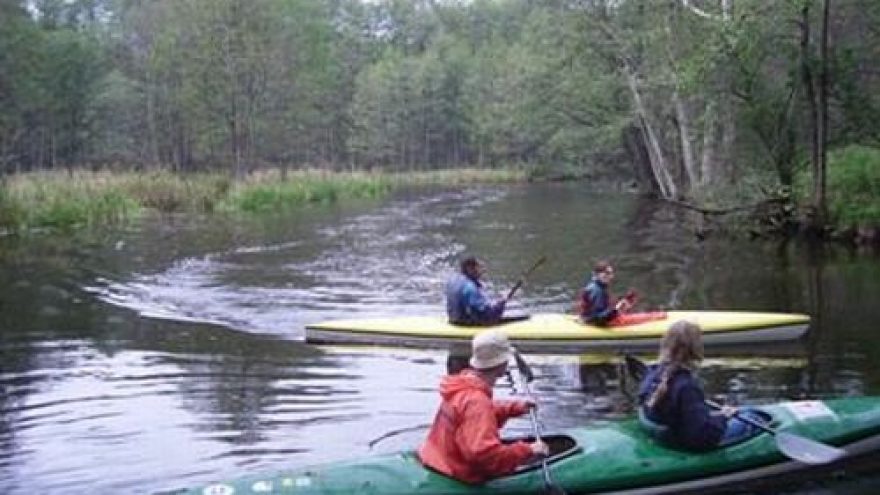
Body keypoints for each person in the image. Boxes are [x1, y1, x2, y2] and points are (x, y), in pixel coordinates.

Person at [418, 329, 549, 484]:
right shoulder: (477, 402)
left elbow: (473, 417)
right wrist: (528, 450)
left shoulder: (462, 383)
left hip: (437, 459)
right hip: (456, 472)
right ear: (503, 365)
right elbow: (484, 455)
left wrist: (514, 408)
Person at [637, 320, 765, 451]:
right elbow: (702, 434)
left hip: (670, 433)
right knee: (754, 416)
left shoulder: (652, 373)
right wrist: (723, 417)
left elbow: (651, 407)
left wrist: (718, 415)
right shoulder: (687, 387)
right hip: (687, 440)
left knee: (744, 410)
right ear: (695, 348)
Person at [446, 256, 507, 325]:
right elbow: (485, 312)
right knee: (495, 309)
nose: (482, 271)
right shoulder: (470, 287)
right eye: (479, 268)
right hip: (464, 323)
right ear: (469, 269)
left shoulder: (453, 279)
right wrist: (500, 305)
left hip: (453, 319)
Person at [577, 260, 634, 325]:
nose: (610, 276)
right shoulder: (596, 290)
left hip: (587, 318)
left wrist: (619, 305)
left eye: (611, 273)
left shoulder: (595, 286)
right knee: (646, 319)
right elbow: (599, 317)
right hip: (593, 322)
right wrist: (617, 309)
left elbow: (599, 310)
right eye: (607, 273)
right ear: (597, 274)